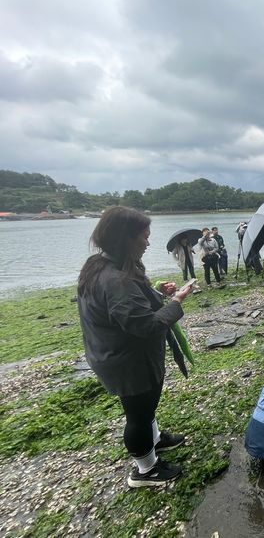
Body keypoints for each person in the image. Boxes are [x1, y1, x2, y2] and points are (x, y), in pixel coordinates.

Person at [77, 206, 192, 488]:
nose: (148, 243)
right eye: (144, 237)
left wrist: (157, 293)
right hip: (127, 360)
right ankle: (145, 470)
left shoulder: (102, 264)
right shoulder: (115, 279)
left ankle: (154, 440)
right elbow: (145, 325)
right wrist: (176, 303)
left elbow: (128, 307)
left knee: (145, 407)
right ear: (125, 238)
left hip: (119, 354)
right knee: (138, 415)